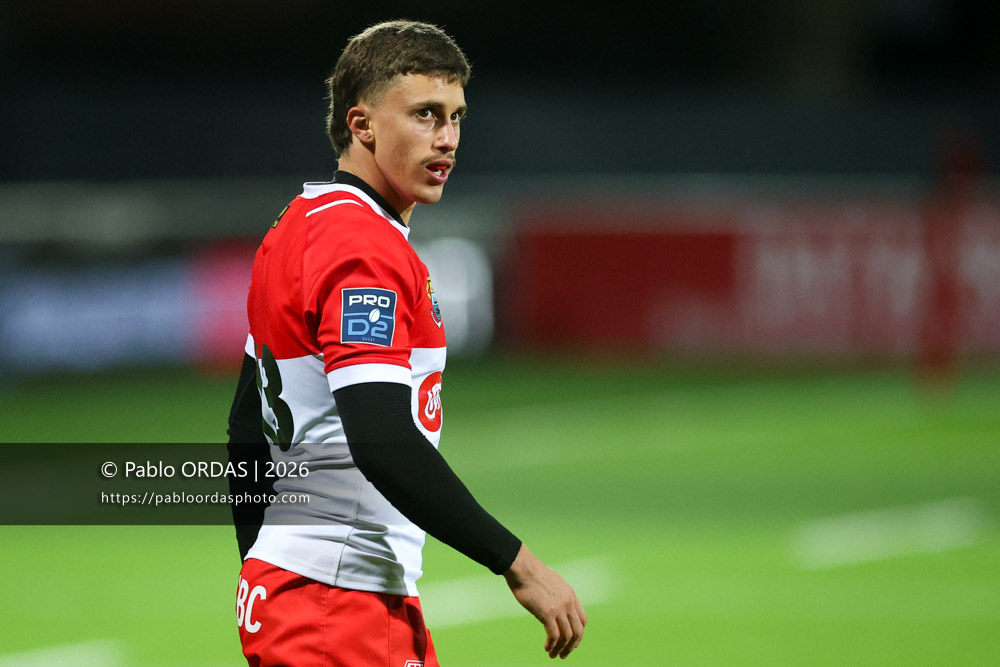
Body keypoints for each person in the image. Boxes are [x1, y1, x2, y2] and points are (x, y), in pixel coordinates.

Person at [226, 19, 587, 666]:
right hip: (339, 605)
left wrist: (265, 565)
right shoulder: (363, 246)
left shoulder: (296, 225)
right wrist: (520, 563)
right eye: (424, 114)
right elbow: (383, 440)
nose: (447, 138)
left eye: (455, 116)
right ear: (362, 124)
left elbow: (244, 426)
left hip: (306, 596)